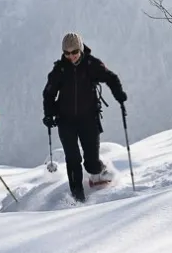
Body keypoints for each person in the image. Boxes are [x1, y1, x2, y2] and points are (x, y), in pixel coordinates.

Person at [42, 32, 127, 202]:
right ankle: (77, 199)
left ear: (80, 49)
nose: (71, 56)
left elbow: (111, 78)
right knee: (73, 160)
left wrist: (119, 95)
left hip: (89, 120)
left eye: (74, 52)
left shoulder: (91, 64)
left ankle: (99, 171)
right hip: (65, 121)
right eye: (67, 53)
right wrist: (49, 114)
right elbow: (48, 93)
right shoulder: (60, 69)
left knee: (91, 162)